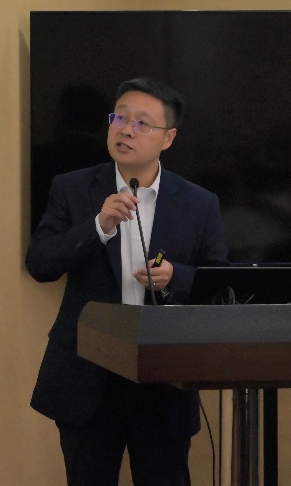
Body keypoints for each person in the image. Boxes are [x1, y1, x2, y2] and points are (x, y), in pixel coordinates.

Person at [26, 76, 228, 486]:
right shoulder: (72, 188)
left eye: (142, 123)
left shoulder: (199, 203)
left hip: (164, 379)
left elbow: (219, 285)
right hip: (88, 374)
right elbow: (41, 263)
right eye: (119, 118)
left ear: (168, 138)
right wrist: (97, 226)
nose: (126, 130)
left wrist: (174, 278)